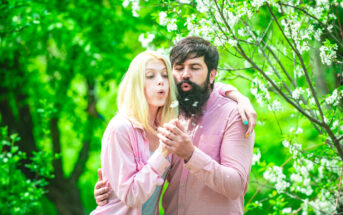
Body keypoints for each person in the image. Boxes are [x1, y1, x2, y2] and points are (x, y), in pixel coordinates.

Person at [94, 36, 256, 214]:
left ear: (212, 75)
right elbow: (132, 182)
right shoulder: (169, 114)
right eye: (178, 68)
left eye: (195, 68)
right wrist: (114, 191)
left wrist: (191, 154)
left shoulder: (234, 114)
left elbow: (237, 186)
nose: (185, 74)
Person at [91, 51, 177, 215]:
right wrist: (162, 152)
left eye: (165, 75)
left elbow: (204, 84)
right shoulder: (120, 128)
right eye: (150, 76)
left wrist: (236, 95)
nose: (160, 82)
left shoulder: (165, 128)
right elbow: (130, 196)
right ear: (137, 83)